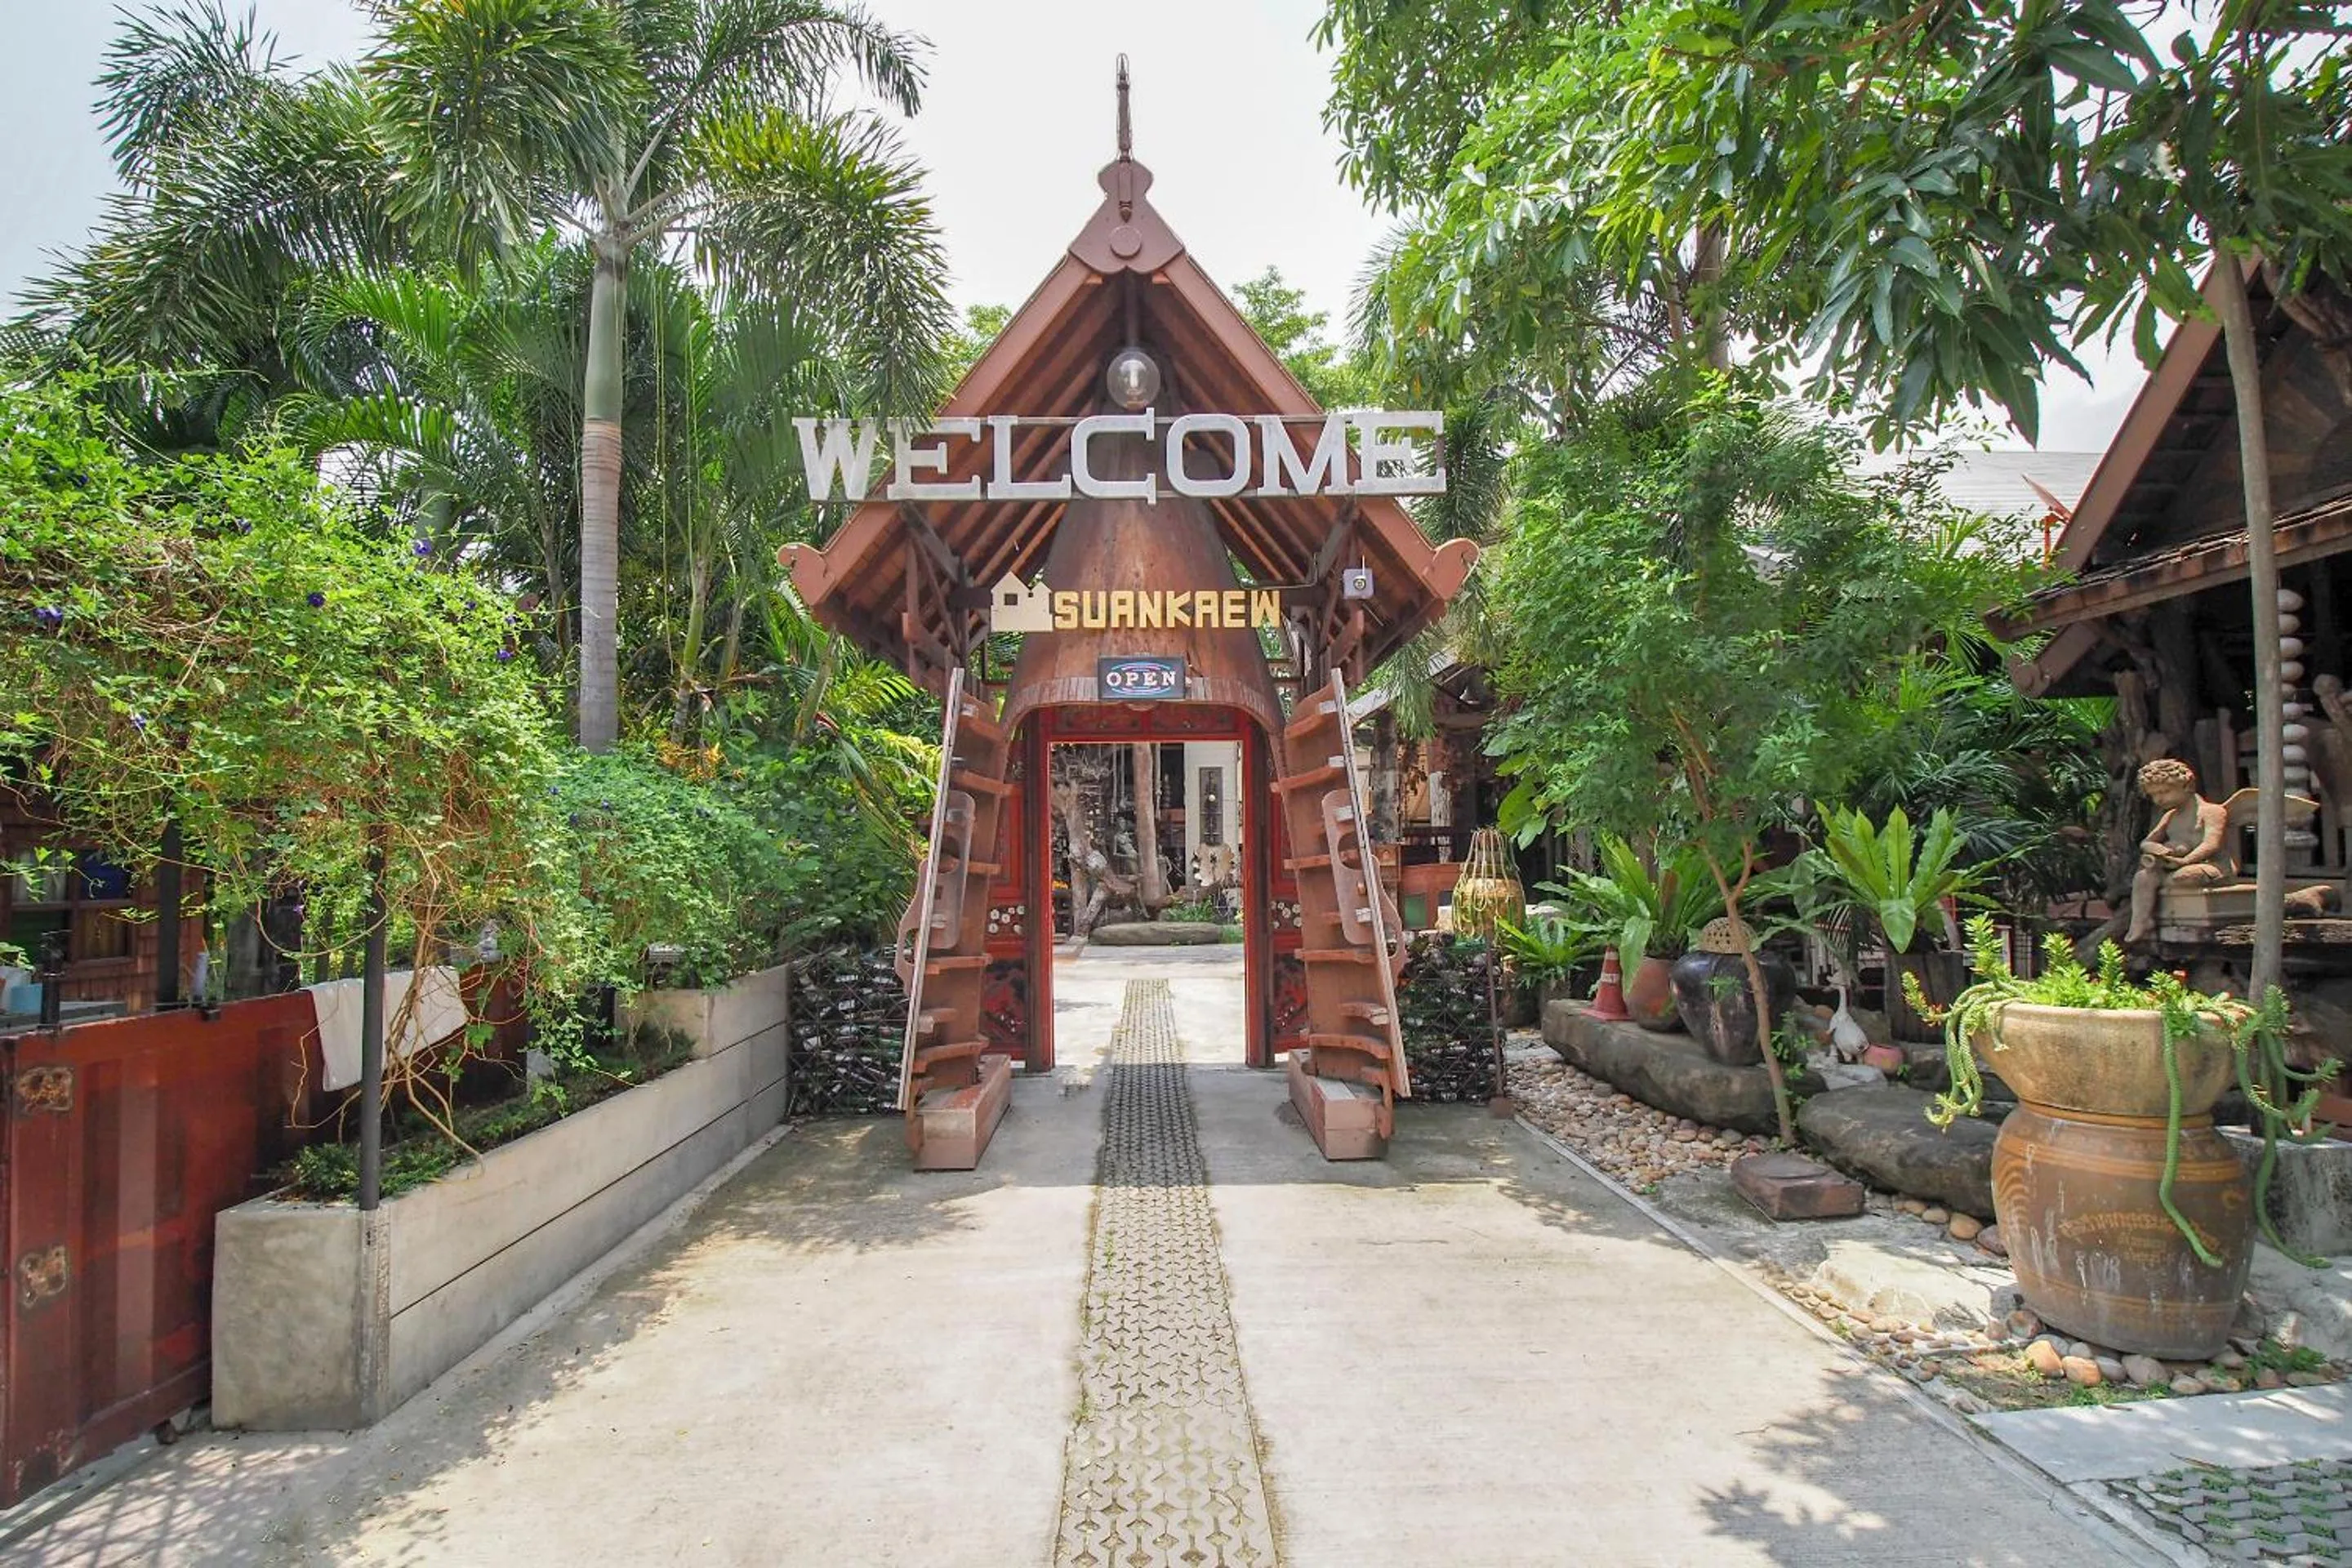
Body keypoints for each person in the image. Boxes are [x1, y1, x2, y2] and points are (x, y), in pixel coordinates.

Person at [2127, 758, 2234, 943]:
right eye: (2153, 795)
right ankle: (2141, 921)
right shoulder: (2170, 816)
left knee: (2184, 876)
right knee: (2142, 878)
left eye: (2164, 792)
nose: (2159, 799)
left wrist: (2186, 860)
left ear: (2187, 786)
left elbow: (2211, 844)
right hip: (2174, 865)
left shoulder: (2212, 811)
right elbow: (2146, 842)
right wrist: (2158, 849)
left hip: (2212, 865)